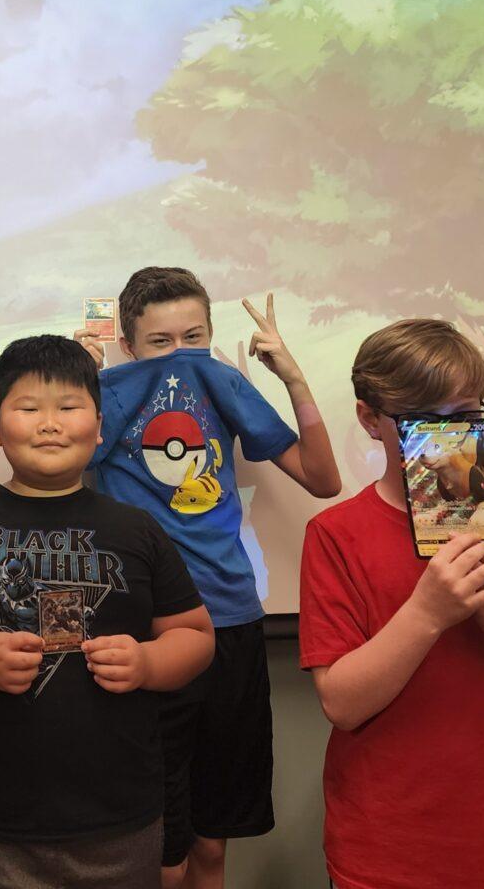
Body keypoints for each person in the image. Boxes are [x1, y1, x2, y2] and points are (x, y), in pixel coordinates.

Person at [0, 334, 215, 889]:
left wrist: (147, 664)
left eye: (68, 407)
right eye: (27, 408)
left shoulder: (135, 528)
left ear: (100, 427)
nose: (49, 423)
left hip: (121, 812)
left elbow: (195, 635)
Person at [75, 266, 341, 889]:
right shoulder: (104, 393)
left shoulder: (221, 382)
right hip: (144, 632)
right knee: (155, 849)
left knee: (212, 841)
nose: (179, 358)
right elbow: (58, 466)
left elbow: (323, 480)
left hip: (231, 620)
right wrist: (82, 381)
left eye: (193, 338)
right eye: (160, 344)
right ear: (128, 344)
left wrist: (294, 376)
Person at [299, 318, 484, 889]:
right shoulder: (337, 534)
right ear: (370, 419)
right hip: (390, 843)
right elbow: (342, 703)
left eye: (470, 414)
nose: (456, 436)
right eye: (432, 419)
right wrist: (427, 612)